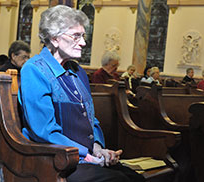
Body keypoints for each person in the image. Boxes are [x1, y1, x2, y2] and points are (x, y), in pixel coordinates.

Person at [18, 5, 144, 182]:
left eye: (83, 36)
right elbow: (44, 131)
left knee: (135, 177)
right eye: (76, 36)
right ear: (54, 38)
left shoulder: (78, 71)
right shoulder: (34, 69)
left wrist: (99, 148)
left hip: (83, 157)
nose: (84, 43)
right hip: (54, 160)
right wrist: (87, 155)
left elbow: (91, 119)